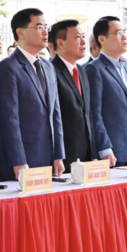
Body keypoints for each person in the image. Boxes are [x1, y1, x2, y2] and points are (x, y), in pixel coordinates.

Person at [0, 8, 64, 180]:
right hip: (24, 158)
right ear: (21, 32)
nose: (45, 32)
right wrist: (18, 160)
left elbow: (56, 113)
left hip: (49, 157)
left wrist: (59, 154)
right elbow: (8, 119)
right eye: (39, 27)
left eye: (46, 27)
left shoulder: (48, 66)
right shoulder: (8, 67)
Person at [86, 16, 127, 165]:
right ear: (102, 39)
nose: (125, 37)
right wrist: (104, 148)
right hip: (114, 150)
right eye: (119, 33)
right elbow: (94, 114)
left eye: (124, 32)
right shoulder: (94, 69)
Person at [49, 20, 96, 172]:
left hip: (86, 156)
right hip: (64, 157)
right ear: (60, 43)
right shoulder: (50, 71)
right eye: (77, 37)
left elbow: (88, 114)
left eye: (83, 36)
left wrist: (94, 152)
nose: (83, 41)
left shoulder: (82, 71)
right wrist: (58, 155)